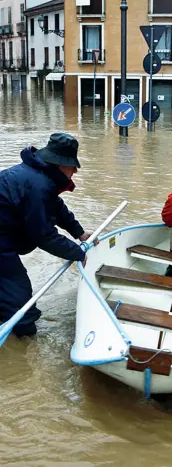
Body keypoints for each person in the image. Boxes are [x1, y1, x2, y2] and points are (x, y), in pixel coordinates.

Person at [0, 132, 93, 338]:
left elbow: (56, 208)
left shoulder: (39, 176)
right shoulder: (38, 185)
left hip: (5, 237)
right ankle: (24, 343)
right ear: (60, 164)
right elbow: (44, 235)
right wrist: (78, 253)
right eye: (73, 166)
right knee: (20, 303)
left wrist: (79, 232)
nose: (75, 171)